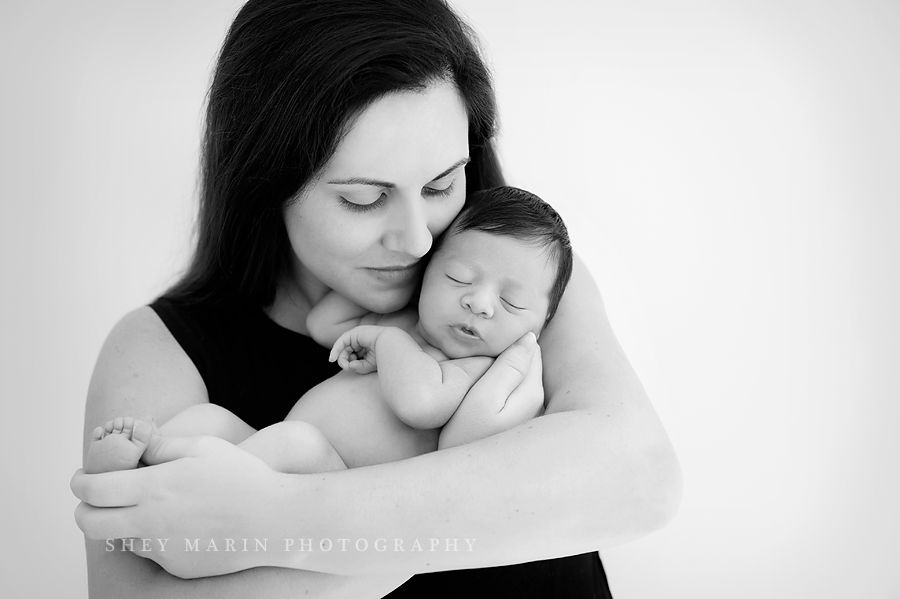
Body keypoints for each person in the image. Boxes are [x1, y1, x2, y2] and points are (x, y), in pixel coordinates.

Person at [70, 0, 683, 597]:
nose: (418, 240)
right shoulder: (160, 347)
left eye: (442, 184)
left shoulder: (514, 278)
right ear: (264, 180)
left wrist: (275, 519)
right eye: (364, 199)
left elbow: (642, 479)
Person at [85, 186, 571, 474]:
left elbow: (419, 403)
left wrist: (387, 340)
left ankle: (169, 458)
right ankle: (144, 466)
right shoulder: (404, 322)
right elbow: (325, 324)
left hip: (328, 475)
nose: (479, 303)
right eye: (457, 278)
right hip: (272, 447)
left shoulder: (476, 370)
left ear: (541, 323)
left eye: (511, 302)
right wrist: (386, 282)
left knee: (293, 442)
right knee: (210, 419)